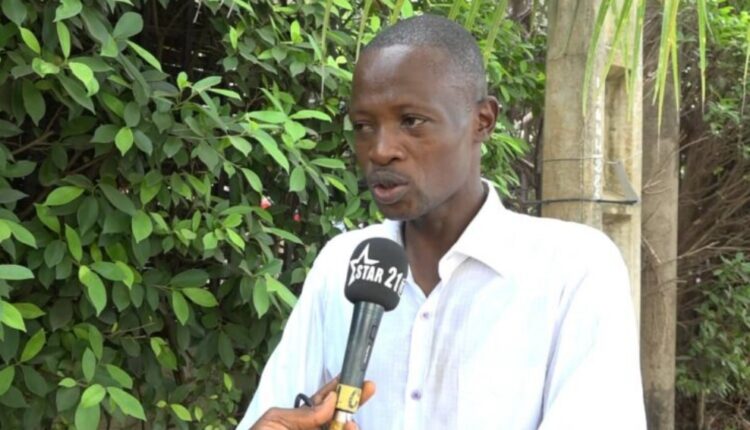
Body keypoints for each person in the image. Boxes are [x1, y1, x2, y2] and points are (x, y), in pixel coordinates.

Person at [239, 14, 646, 430]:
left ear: (482, 121)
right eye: (363, 126)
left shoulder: (572, 269)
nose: (380, 150)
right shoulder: (342, 263)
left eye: (411, 121)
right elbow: (278, 410)